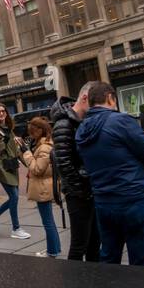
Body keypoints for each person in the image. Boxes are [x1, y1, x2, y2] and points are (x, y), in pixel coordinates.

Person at [74, 82, 144, 267]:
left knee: (109, 257)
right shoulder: (120, 121)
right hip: (132, 201)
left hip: (103, 204)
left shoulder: (82, 130)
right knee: (141, 260)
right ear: (109, 97)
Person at [50, 83, 101, 261]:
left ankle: (93, 280)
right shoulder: (64, 123)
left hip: (89, 191)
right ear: (85, 98)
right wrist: (83, 191)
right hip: (77, 195)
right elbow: (64, 165)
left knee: (95, 241)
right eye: (96, 103)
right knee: (79, 244)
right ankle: (74, 284)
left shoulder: (83, 121)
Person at [20, 116, 61, 258]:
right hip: (45, 186)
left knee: (48, 222)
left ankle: (52, 252)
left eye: (31, 132)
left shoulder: (44, 148)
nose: (30, 135)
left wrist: (27, 153)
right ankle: (54, 249)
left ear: (38, 131)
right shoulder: (45, 144)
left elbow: (37, 169)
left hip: (43, 188)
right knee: (49, 221)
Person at [0, 105, 30, 239]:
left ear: (6, 113)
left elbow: (16, 151)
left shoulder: (9, 128)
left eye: (3, 111)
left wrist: (29, 165)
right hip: (1, 167)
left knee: (14, 197)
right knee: (14, 196)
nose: (1, 113)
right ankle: (16, 228)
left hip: (11, 165)